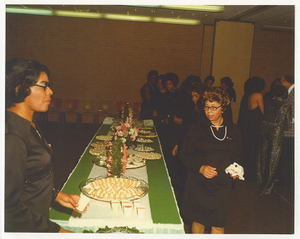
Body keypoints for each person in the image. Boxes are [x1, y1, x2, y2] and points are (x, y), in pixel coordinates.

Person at [5, 58, 87, 232]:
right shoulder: (11, 137)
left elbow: (30, 177)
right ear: (20, 88)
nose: (50, 91)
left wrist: (55, 195)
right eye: (43, 86)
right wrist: (56, 231)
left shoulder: (28, 123)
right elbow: (8, 209)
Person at [180, 87, 244, 234]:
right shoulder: (196, 128)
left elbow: (239, 155)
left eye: (214, 108)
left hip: (222, 185)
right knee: (199, 221)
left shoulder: (233, 130)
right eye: (207, 107)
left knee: (218, 224)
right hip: (199, 183)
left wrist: (236, 168)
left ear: (224, 108)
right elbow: (184, 155)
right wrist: (200, 168)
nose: (209, 111)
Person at [255, 85, 292, 195]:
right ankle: (266, 188)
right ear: (284, 94)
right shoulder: (286, 105)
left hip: (264, 129)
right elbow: (287, 125)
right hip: (276, 132)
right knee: (273, 160)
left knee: (262, 157)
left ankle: (259, 183)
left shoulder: (268, 102)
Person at [237, 76, 265, 182]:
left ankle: (247, 173)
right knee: (255, 151)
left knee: (249, 150)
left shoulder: (247, 96)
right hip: (256, 127)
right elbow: (263, 113)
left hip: (249, 127)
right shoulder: (258, 95)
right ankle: (253, 176)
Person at [278, 74, 294, 187]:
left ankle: (287, 180)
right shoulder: (290, 93)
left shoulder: (295, 92)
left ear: (286, 82)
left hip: (291, 131)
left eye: (282, 81)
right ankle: (286, 179)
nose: (281, 84)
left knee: (288, 156)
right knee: (286, 156)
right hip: (288, 130)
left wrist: (287, 122)